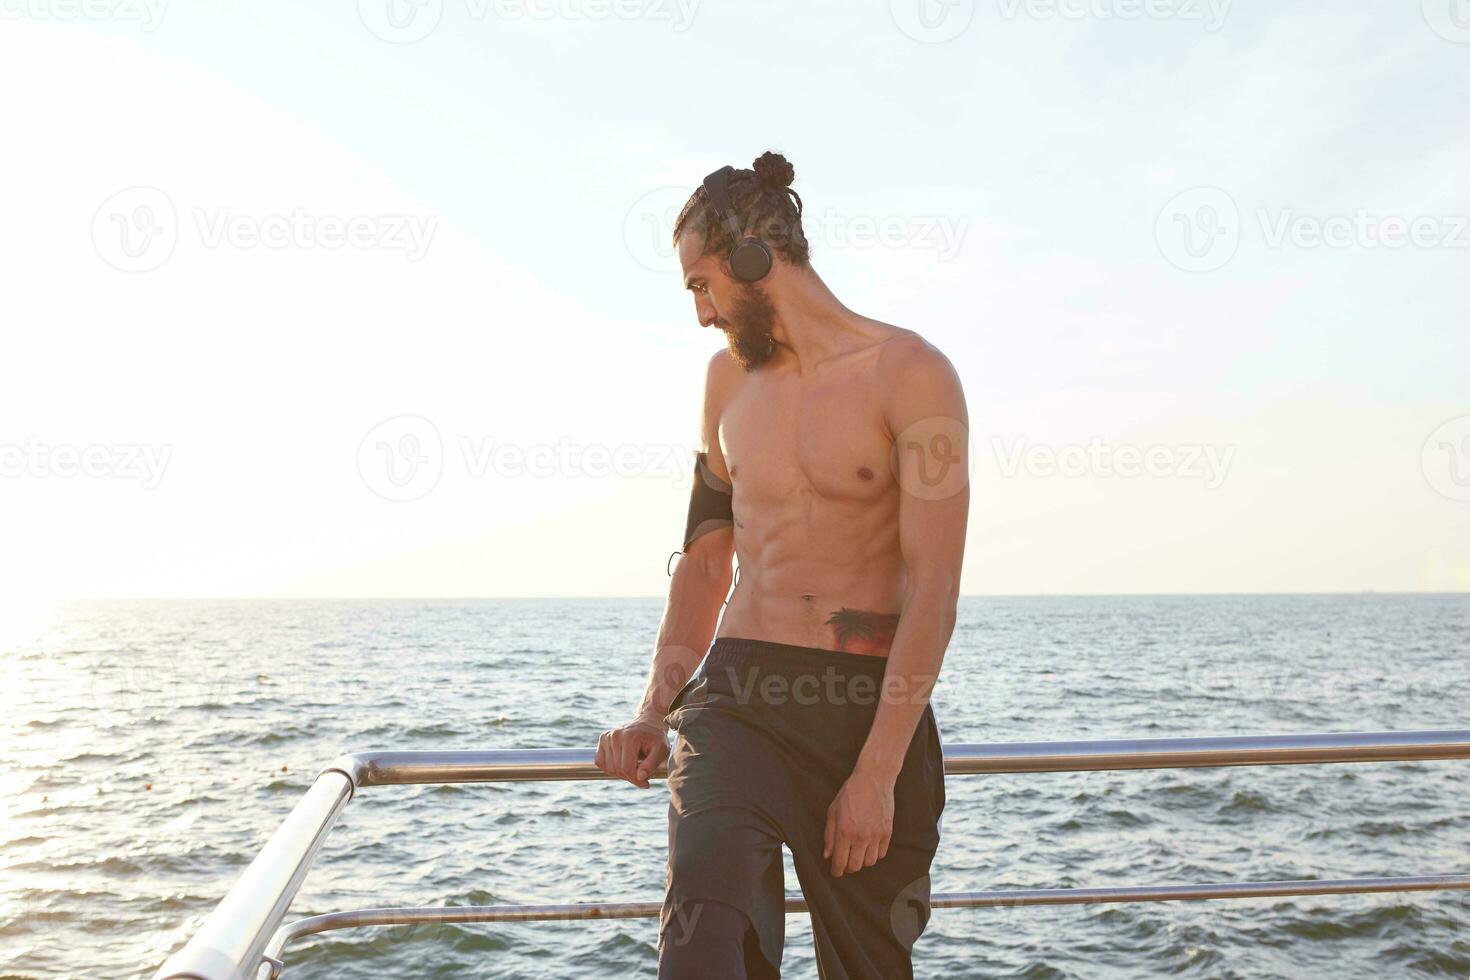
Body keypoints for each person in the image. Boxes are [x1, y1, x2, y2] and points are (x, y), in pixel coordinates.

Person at [595, 150, 969, 979]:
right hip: (739, 700)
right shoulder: (725, 383)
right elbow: (704, 565)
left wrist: (876, 774)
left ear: (756, 258)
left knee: (868, 966)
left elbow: (936, 590)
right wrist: (656, 709)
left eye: (702, 284)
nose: (700, 313)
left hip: (864, 706)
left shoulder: (912, 375)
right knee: (704, 931)